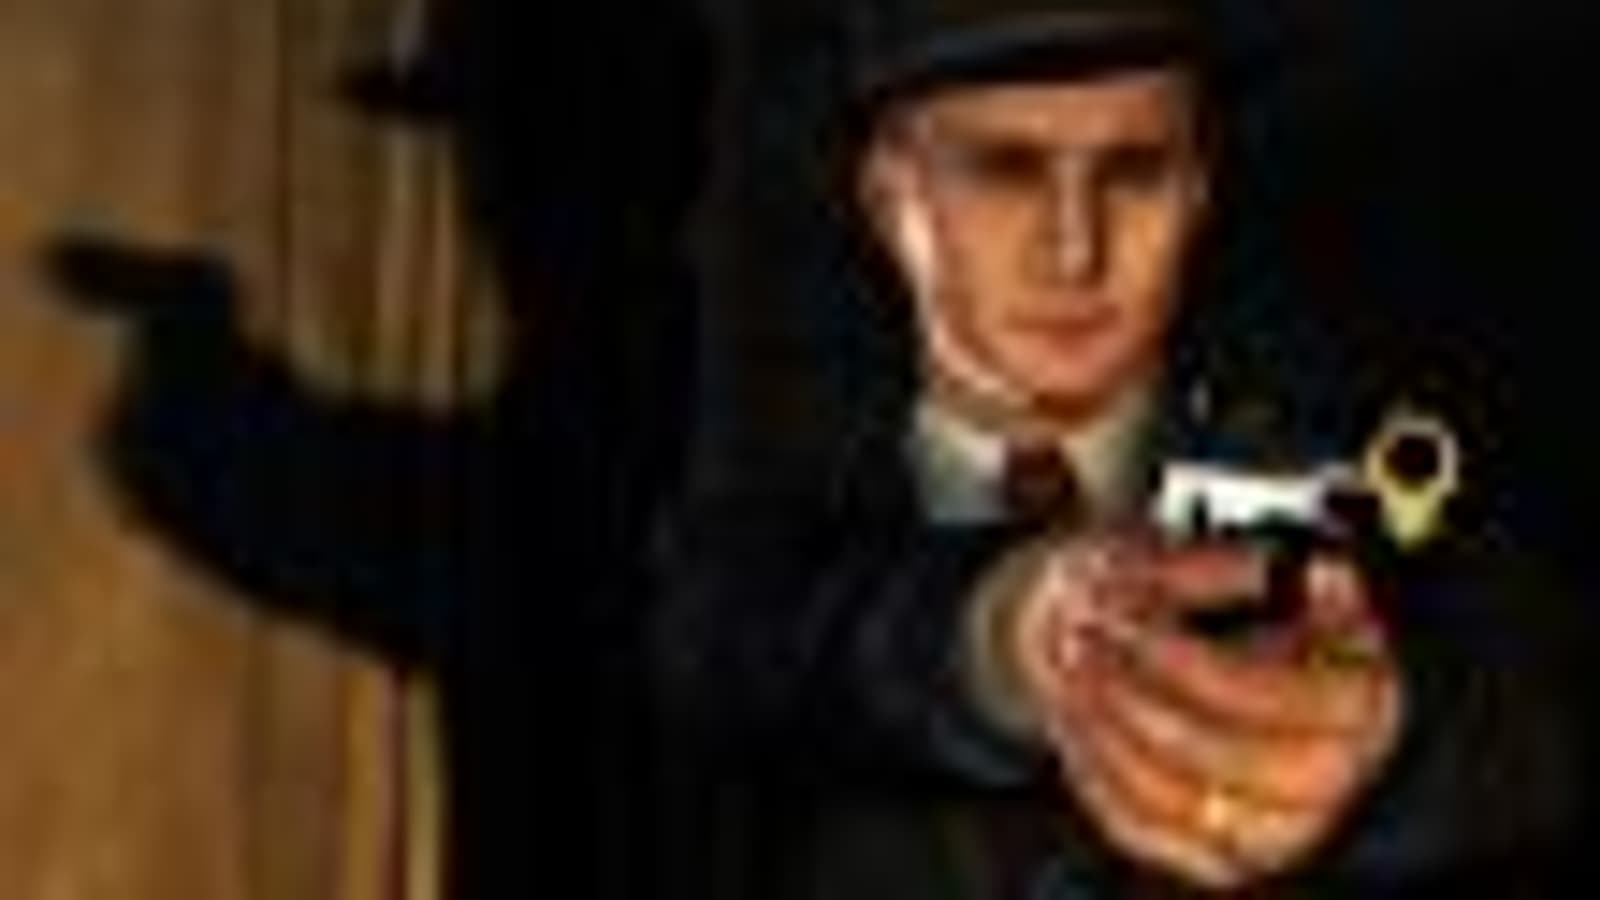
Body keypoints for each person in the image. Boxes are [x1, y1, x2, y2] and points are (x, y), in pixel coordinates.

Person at [656, 0, 1581, 895]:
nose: (1076, 251)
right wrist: (1005, 633)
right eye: (1007, 169)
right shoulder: (775, 540)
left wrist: (1390, 729)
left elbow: (1524, 681)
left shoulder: (1334, 459)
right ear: (889, 194)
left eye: (1135, 169)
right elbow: (740, 649)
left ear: (1196, 191)